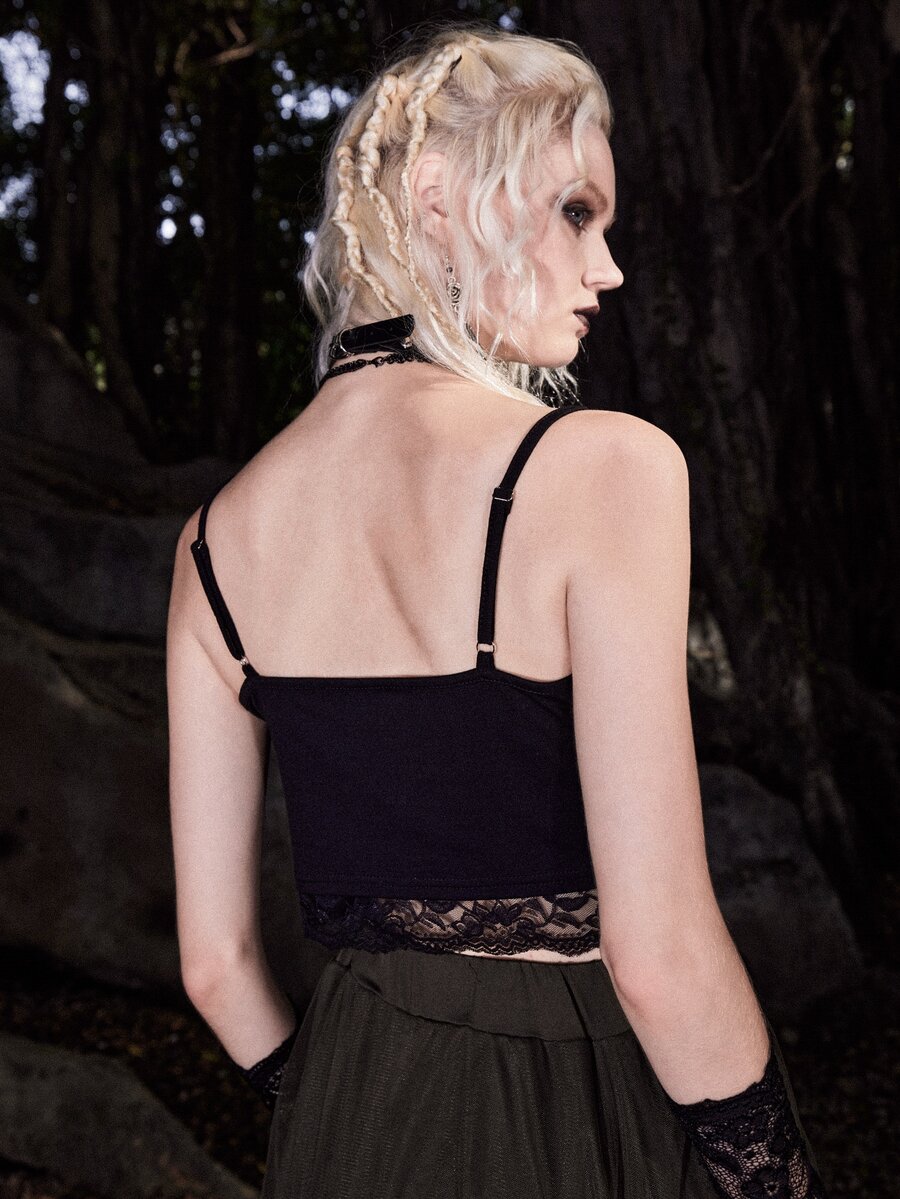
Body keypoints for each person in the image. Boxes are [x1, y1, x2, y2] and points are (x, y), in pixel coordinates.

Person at [166, 21, 828, 1198]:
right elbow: (661, 953)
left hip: (343, 1124)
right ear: (437, 198)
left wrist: (342, 1107)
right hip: (578, 1107)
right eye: (577, 212)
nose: (607, 269)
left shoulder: (215, 540)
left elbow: (215, 966)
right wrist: (775, 1180)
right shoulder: (605, 468)